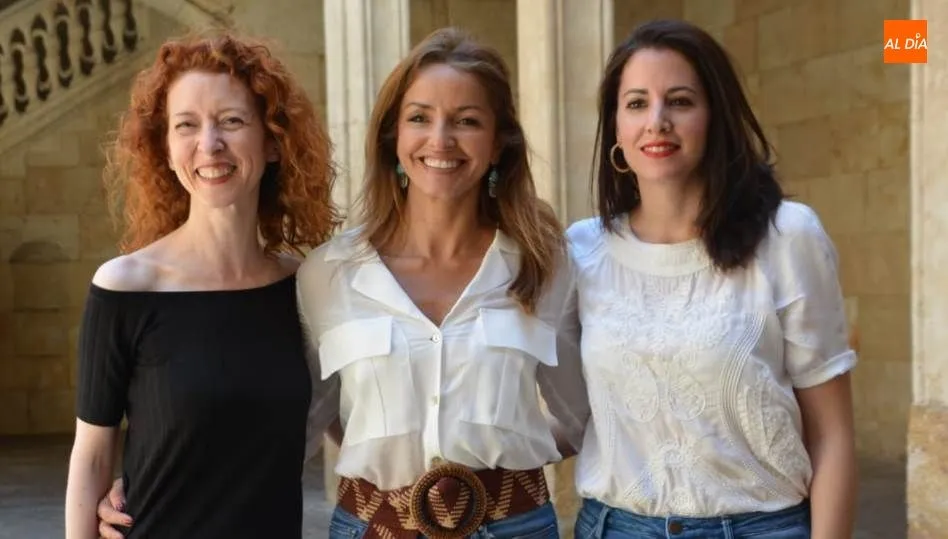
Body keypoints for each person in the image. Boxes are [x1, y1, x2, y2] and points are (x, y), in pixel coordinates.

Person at [295, 27, 589, 539]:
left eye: (467, 121)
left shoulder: (545, 264)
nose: (440, 140)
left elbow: (584, 413)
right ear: (394, 138)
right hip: (372, 526)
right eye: (419, 118)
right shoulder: (328, 273)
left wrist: (509, 444)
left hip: (513, 526)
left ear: (499, 144)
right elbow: (303, 422)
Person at [568, 19, 857, 539]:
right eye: (636, 103)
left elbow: (832, 434)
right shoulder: (582, 251)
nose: (657, 121)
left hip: (762, 527)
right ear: (616, 128)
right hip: (615, 527)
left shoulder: (787, 237)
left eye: (679, 101)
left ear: (715, 117)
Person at [64, 32, 341, 539]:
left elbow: (362, 425)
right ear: (166, 150)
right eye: (186, 126)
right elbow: (91, 457)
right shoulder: (125, 288)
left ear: (274, 141)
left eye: (232, 122)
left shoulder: (306, 288)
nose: (209, 145)